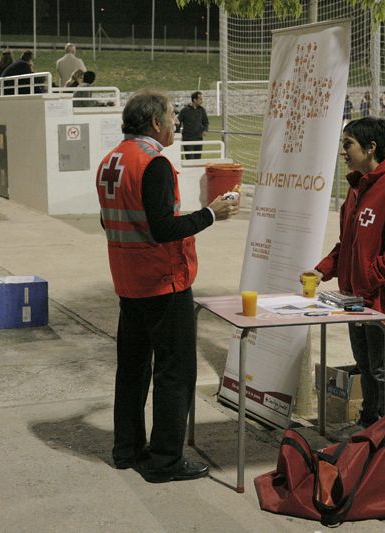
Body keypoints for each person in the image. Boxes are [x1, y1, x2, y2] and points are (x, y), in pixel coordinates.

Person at [96, 89, 239, 483]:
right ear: (155, 122)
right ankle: (165, 461)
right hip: (163, 283)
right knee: (175, 373)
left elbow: (109, 222)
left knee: (132, 369)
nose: (176, 122)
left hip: (128, 282)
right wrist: (212, 213)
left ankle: (126, 450)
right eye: (172, 115)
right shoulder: (153, 164)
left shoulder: (111, 161)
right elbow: (164, 229)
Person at [303, 116, 385, 437]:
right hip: (354, 299)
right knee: (365, 363)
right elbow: (349, 245)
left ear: (370, 148)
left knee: (383, 368)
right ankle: (370, 422)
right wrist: (324, 268)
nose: (343, 151)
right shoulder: (356, 190)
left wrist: (370, 278)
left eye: (348, 144)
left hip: (378, 299)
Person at [177, 91, 209, 160]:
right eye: (200, 99)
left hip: (199, 139)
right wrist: (177, 135)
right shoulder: (184, 110)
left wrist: (205, 130)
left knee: (197, 161)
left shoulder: (202, 110)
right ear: (194, 100)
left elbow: (206, 122)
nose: (202, 101)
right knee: (190, 160)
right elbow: (178, 123)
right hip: (187, 140)